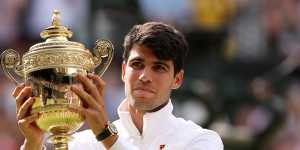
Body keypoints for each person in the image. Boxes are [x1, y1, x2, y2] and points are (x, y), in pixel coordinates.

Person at [13, 22, 223, 150]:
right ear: (124, 71)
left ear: (177, 79)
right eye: (137, 65)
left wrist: (106, 135)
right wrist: (32, 143)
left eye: (159, 68)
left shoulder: (201, 141)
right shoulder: (81, 144)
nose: (144, 76)